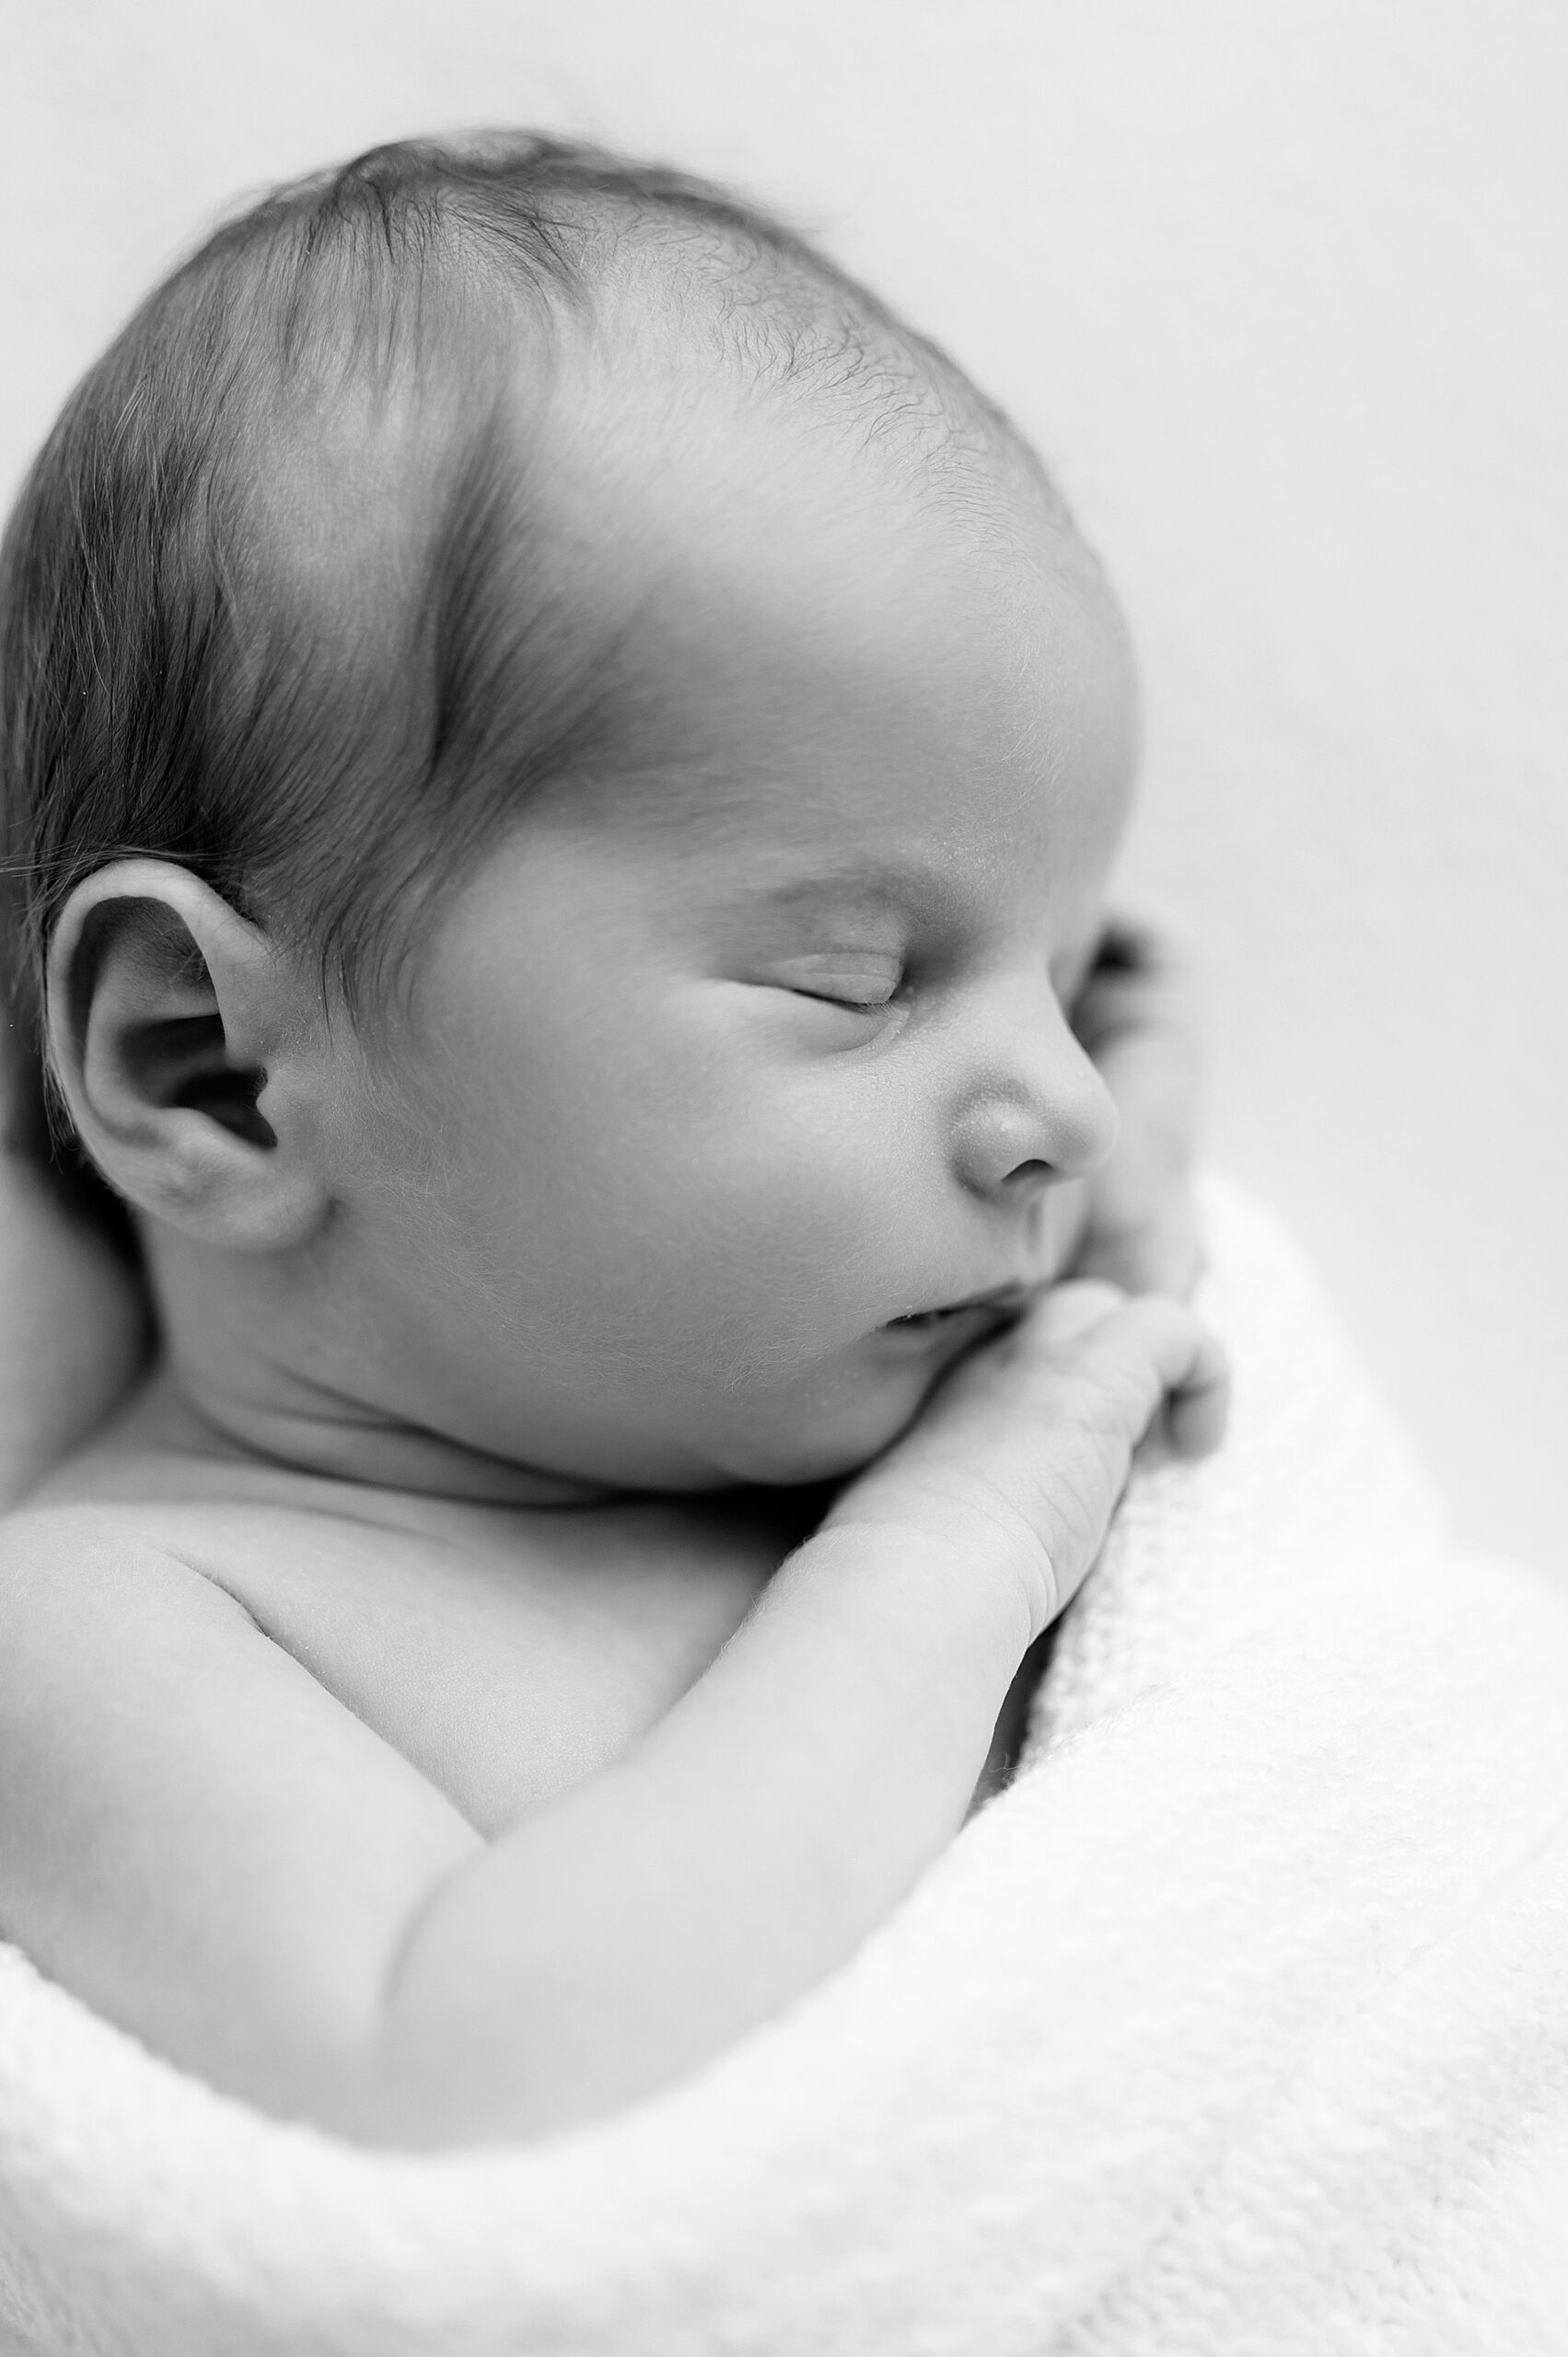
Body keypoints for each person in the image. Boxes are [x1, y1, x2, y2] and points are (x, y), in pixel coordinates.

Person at [0, 134, 1225, 2149]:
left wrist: (1119, 1210)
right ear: (210, 1065)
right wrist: (962, 1542)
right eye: (856, 975)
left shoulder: (863, 1372)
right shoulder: (122, 1623)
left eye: (1068, 975)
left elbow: (1143, 1323)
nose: (1064, 1103)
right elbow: (459, 2066)